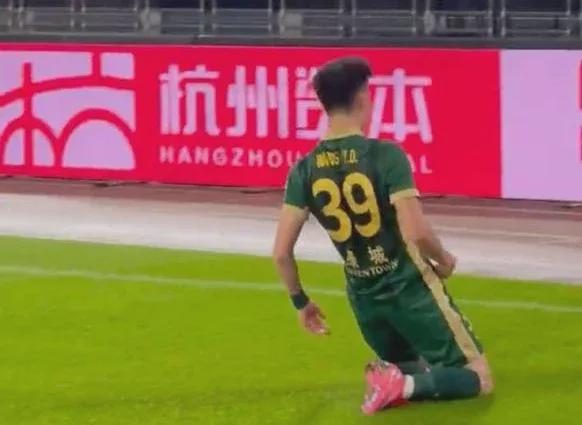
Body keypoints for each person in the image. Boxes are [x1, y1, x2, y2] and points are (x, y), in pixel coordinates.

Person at [272, 57, 493, 415]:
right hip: (408, 288)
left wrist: (301, 303)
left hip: (363, 297)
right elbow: (415, 231)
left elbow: (281, 252)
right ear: (362, 97)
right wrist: (444, 260)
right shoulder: (385, 156)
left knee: (409, 369)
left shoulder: (303, 170)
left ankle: (397, 382)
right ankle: (401, 385)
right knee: (477, 378)